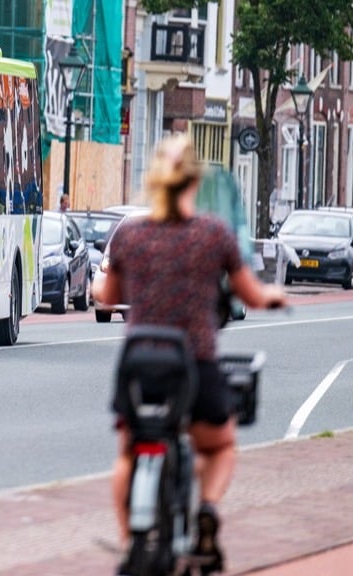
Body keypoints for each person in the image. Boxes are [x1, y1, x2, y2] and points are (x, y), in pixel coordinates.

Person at [91, 134, 286, 574]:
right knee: (219, 445)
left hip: (139, 366)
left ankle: (130, 543)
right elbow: (250, 296)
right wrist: (273, 295)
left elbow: (108, 295)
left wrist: (95, 286)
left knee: (128, 452)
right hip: (193, 362)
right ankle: (208, 510)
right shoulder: (214, 233)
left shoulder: (131, 234)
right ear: (194, 181)